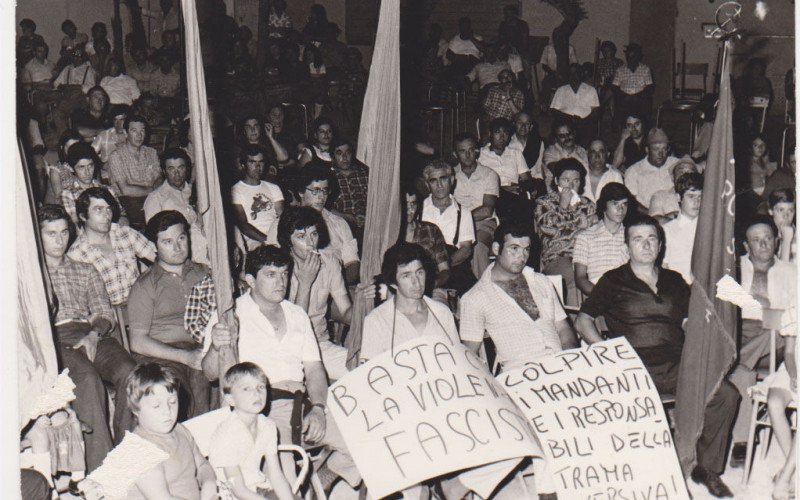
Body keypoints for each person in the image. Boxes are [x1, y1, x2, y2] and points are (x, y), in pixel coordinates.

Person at [575, 215, 739, 498]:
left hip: (677, 364)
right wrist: (606, 352)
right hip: (633, 367)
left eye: (652, 239)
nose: (646, 245)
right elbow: (583, 320)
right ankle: (643, 475)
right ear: (627, 246)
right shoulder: (613, 280)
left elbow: (692, 321)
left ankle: (706, 468)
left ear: (661, 245)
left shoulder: (674, 280)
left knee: (726, 394)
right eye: (638, 239)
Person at [230, 245, 361, 490]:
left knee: (364, 441)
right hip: (261, 405)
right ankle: (300, 488)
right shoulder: (233, 314)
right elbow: (210, 372)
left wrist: (320, 409)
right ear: (250, 280)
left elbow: (314, 370)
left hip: (300, 401)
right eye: (271, 275)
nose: (281, 282)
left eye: (284, 274)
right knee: (285, 481)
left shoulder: (297, 314)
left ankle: (319, 482)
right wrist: (219, 345)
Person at [39, 204, 136, 471]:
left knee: (130, 371)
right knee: (87, 378)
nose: (60, 240)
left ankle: (127, 449)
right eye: (51, 234)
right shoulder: (32, 275)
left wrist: (94, 334)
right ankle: (102, 468)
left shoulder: (85, 269)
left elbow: (104, 312)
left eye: (63, 232)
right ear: (38, 236)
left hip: (89, 332)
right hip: (53, 337)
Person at [460, 219, 578, 371]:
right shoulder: (474, 298)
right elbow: (470, 356)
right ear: (496, 248)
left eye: (526, 249)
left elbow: (563, 329)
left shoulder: (541, 281)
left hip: (559, 366)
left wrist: (569, 359)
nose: (521, 256)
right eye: (514, 248)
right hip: (520, 375)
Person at [128, 210, 211, 419]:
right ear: (155, 246)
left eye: (181, 238)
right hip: (163, 353)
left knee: (215, 373)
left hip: (201, 345)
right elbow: (137, 342)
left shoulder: (204, 273)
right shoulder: (146, 285)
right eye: (167, 242)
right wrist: (185, 357)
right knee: (179, 386)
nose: (177, 247)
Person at [729, 216, 798, 467]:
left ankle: (734, 360)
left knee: (773, 331)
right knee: (743, 371)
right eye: (756, 241)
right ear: (746, 246)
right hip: (740, 332)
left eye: (768, 238)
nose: (763, 244)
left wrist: (766, 314)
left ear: (776, 241)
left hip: (775, 340)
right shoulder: (733, 267)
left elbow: (791, 315)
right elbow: (726, 305)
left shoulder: (791, 272)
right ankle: (742, 442)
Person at [121, 363, 217, 499]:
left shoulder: (179, 430)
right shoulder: (139, 450)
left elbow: (202, 464)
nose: (167, 411)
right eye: (156, 405)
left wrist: (209, 484)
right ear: (136, 409)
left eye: (172, 402)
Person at [209, 362, 295, 500]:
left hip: (258, 490)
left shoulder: (267, 426)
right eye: (246, 389)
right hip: (229, 495)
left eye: (261, 387)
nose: (256, 393)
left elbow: (276, 475)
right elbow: (238, 490)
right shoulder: (226, 434)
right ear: (230, 398)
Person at [361, 242, 459, 361]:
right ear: (393, 284)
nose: (417, 282)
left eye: (419, 272)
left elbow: (456, 360)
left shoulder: (442, 313)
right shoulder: (376, 321)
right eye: (406, 276)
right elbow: (372, 374)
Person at [67, 187, 157, 308]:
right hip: (109, 317)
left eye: (108, 209)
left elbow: (161, 259)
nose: (107, 215)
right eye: (99, 210)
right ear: (83, 216)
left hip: (141, 307)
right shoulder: (76, 255)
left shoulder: (125, 234)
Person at [535, 158, 597, 305]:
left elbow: (595, 234)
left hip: (586, 255)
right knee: (573, 276)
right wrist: (563, 206)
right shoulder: (544, 203)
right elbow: (550, 233)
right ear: (556, 181)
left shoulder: (587, 205)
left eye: (576, 181)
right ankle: (575, 324)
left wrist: (580, 232)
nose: (571, 185)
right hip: (557, 258)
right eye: (566, 180)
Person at [296, 165, 360, 284]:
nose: (321, 197)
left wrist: (339, 286)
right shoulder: (283, 222)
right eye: (315, 191)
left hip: (337, 285)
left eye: (325, 190)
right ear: (301, 192)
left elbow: (353, 263)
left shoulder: (339, 223)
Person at [144, 148, 209, 265]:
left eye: (181, 168)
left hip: (208, 241)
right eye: (171, 169)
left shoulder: (197, 191)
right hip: (182, 250)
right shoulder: (156, 198)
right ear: (164, 171)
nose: (177, 174)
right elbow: (154, 237)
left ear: (187, 169)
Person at [421, 160, 476, 294]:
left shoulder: (463, 212)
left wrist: (443, 266)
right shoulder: (419, 209)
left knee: (474, 292)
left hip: (453, 265)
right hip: (422, 264)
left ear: (451, 180)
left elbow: (465, 249)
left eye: (443, 179)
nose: (439, 185)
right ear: (428, 184)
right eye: (433, 181)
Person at [761, 308, 797, 500]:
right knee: (774, 402)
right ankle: (795, 471)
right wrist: (794, 375)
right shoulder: (795, 310)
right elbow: (790, 353)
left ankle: (785, 477)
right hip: (792, 369)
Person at [453, 133, 500, 277]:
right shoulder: (450, 175)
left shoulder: (489, 174)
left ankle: (485, 291)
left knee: (477, 248)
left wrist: (461, 221)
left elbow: (487, 210)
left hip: (483, 224)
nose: (467, 155)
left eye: (471, 150)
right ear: (455, 154)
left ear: (477, 151)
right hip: (455, 226)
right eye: (462, 151)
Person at [573, 182, 632, 296]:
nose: (621, 209)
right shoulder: (585, 237)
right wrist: (602, 297)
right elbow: (580, 279)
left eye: (624, 204)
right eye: (615, 204)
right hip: (598, 293)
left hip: (628, 295)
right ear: (604, 205)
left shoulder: (632, 235)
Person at [108, 114, 162, 230]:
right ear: (126, 133)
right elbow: (125, 190)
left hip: (152, 199)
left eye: (142, 131)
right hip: (128, 203)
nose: (139, 135)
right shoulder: (116, 156)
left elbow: (159, 179)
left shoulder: (151, 153)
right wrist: (152, 190)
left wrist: (153, 191)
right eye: (134, 131)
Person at [399, 188, 451, 303]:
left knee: (440, 313)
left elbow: (445, 270)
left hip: (431, 290)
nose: (409, 210)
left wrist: (429, 285)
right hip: (398, 292)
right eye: (405, 205)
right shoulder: (389, 234)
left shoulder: (431, 230)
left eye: (413, 204)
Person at [231, 145, 285, 249]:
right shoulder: (235, 190)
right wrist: (268, 241)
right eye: (252, 162)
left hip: (276, 235)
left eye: (261, 162)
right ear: (243, 165)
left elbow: (283, 217)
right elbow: (243, 225)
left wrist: (279, 239)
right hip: (253, 239)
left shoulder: (273, 188)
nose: (257, 166)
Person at [60, 141, 126, 225]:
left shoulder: (107, 190)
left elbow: (122, 216)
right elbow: (76, 225)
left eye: (90, 166)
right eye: (81, 167)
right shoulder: (69, 194)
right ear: (71, 168)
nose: (87, 172)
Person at [662, 172, 703, 284]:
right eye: (691, 196)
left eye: (700, 197)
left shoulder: (710, 231)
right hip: (679, 292)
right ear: (678, 197)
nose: (697, 202)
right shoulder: (667, 231)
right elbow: (664, 268)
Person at [625, 128, 679, 211]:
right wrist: (652, 216)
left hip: (675, 215)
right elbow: (632, 202)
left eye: (664, 149)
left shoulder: (677, 164)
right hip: (647, 216)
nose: (660, 154)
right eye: (656, 149)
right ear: (647, 150)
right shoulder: (634, 171)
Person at [549, 63, 600, 146]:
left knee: (588, 135)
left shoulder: (591, 90)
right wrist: (570, 119)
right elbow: (554, 111)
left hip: (585, 123)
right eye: (571, 74)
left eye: (576, 73)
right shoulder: (561, 90)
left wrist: (582, 121)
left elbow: (596, 113)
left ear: (581, 75)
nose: (573, 76)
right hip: (565, 122)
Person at [330, 138, 369, 235]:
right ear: (332, 157)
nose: (344, 157)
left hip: (368, 223)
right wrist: (348, 217)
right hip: (340, 226)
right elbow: (326, 208)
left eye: (348, 153)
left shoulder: (365, 174)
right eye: (339, 153)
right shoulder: (329, 177)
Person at [612, 43, 654, 128]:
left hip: (640, 97)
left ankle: (644, 128)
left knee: (644, 102)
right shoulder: (620, 70)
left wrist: (638, 95)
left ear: (639, 57)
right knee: (620, 102)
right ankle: (621, 128)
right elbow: (614, 86)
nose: (631, 59)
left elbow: (650, 87)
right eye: (628, 57)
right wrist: (624, 95)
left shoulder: (645, 69)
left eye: (633, 57)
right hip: (624, 97)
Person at [648, 156, 699, 222]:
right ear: (672, 177)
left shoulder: (702, 198)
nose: (685, 175)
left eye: (690, 172)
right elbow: (655, 221)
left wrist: (673, 218)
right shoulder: (660, 196)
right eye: (681, 172)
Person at [543, 120, 588, 185]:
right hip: (556, 191)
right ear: (556, 138)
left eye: (569, 134)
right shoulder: (550, 151)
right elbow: (559, 170)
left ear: (574, 133)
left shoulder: (582, 152)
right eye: (562, 136)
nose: (567, 138)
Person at [508, 111, 545, 179]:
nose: (523, 126)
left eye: (527, 123)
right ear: (514, 124)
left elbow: (539, 168)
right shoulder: (507, 143)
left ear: (531, 127)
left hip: (534, 180)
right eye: (520, 123)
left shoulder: (537, 142)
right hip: (514, 181)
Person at [768, 188, 796, 262]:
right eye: (781, 210)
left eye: (790, 210)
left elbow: (784, 272)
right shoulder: (772, 237)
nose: (786, 216)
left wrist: (786, 241)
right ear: (771, 211)